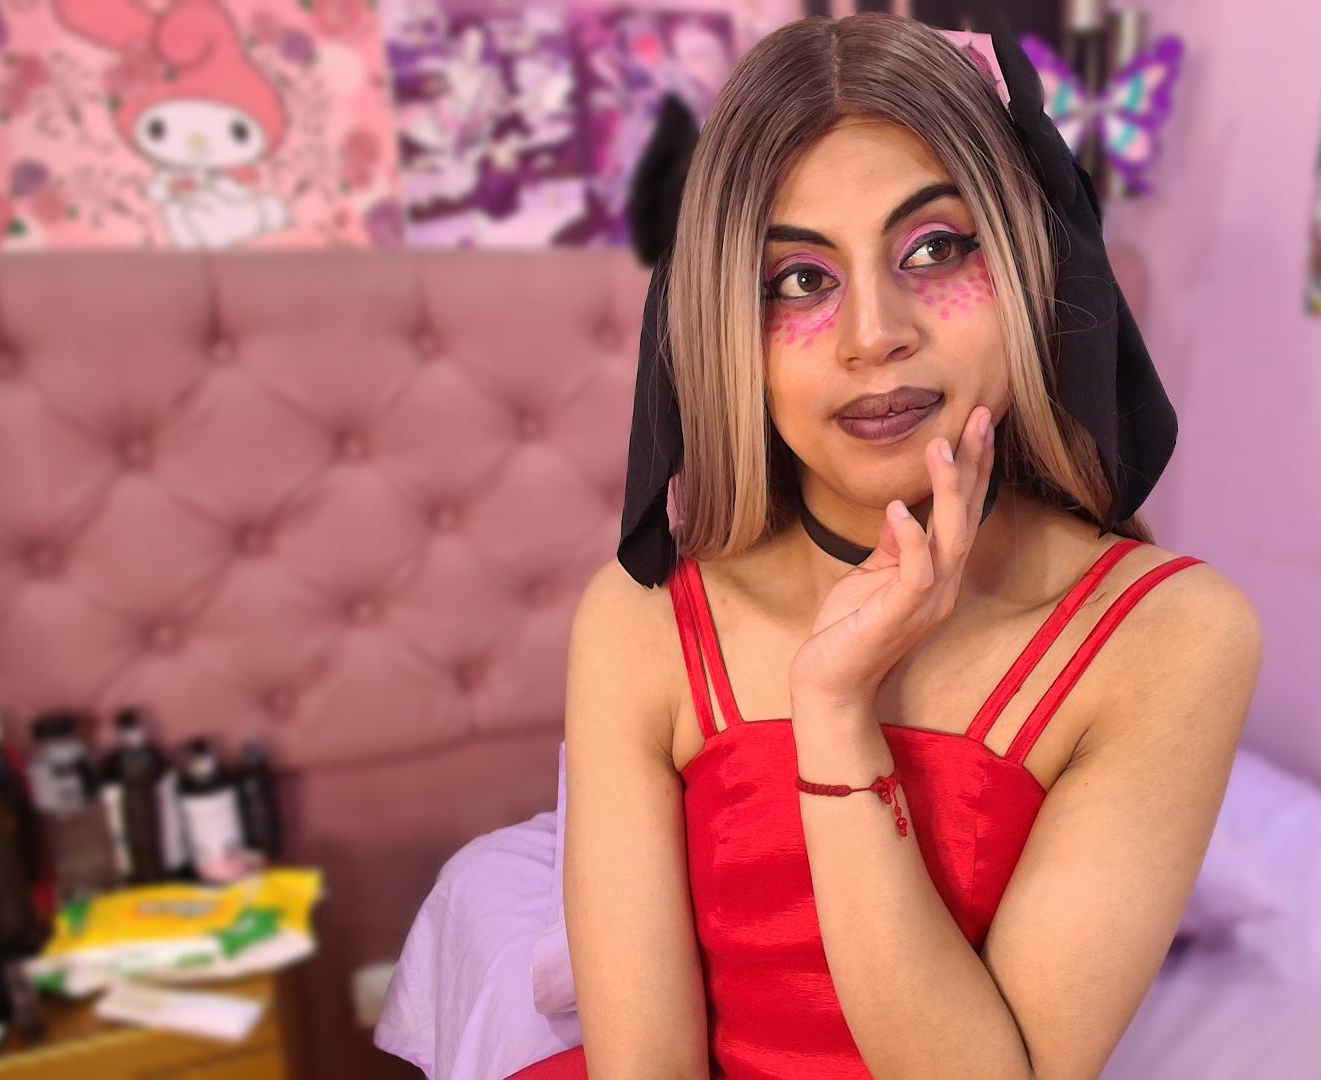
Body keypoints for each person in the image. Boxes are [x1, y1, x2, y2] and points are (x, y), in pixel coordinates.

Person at [518, 13, 1261, 1078]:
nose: (875, 334)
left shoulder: (1176, 637)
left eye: (936, 248)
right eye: (799, 280)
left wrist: (833, 715)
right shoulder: (640, 623)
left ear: (1029, 268)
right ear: (728, 325)